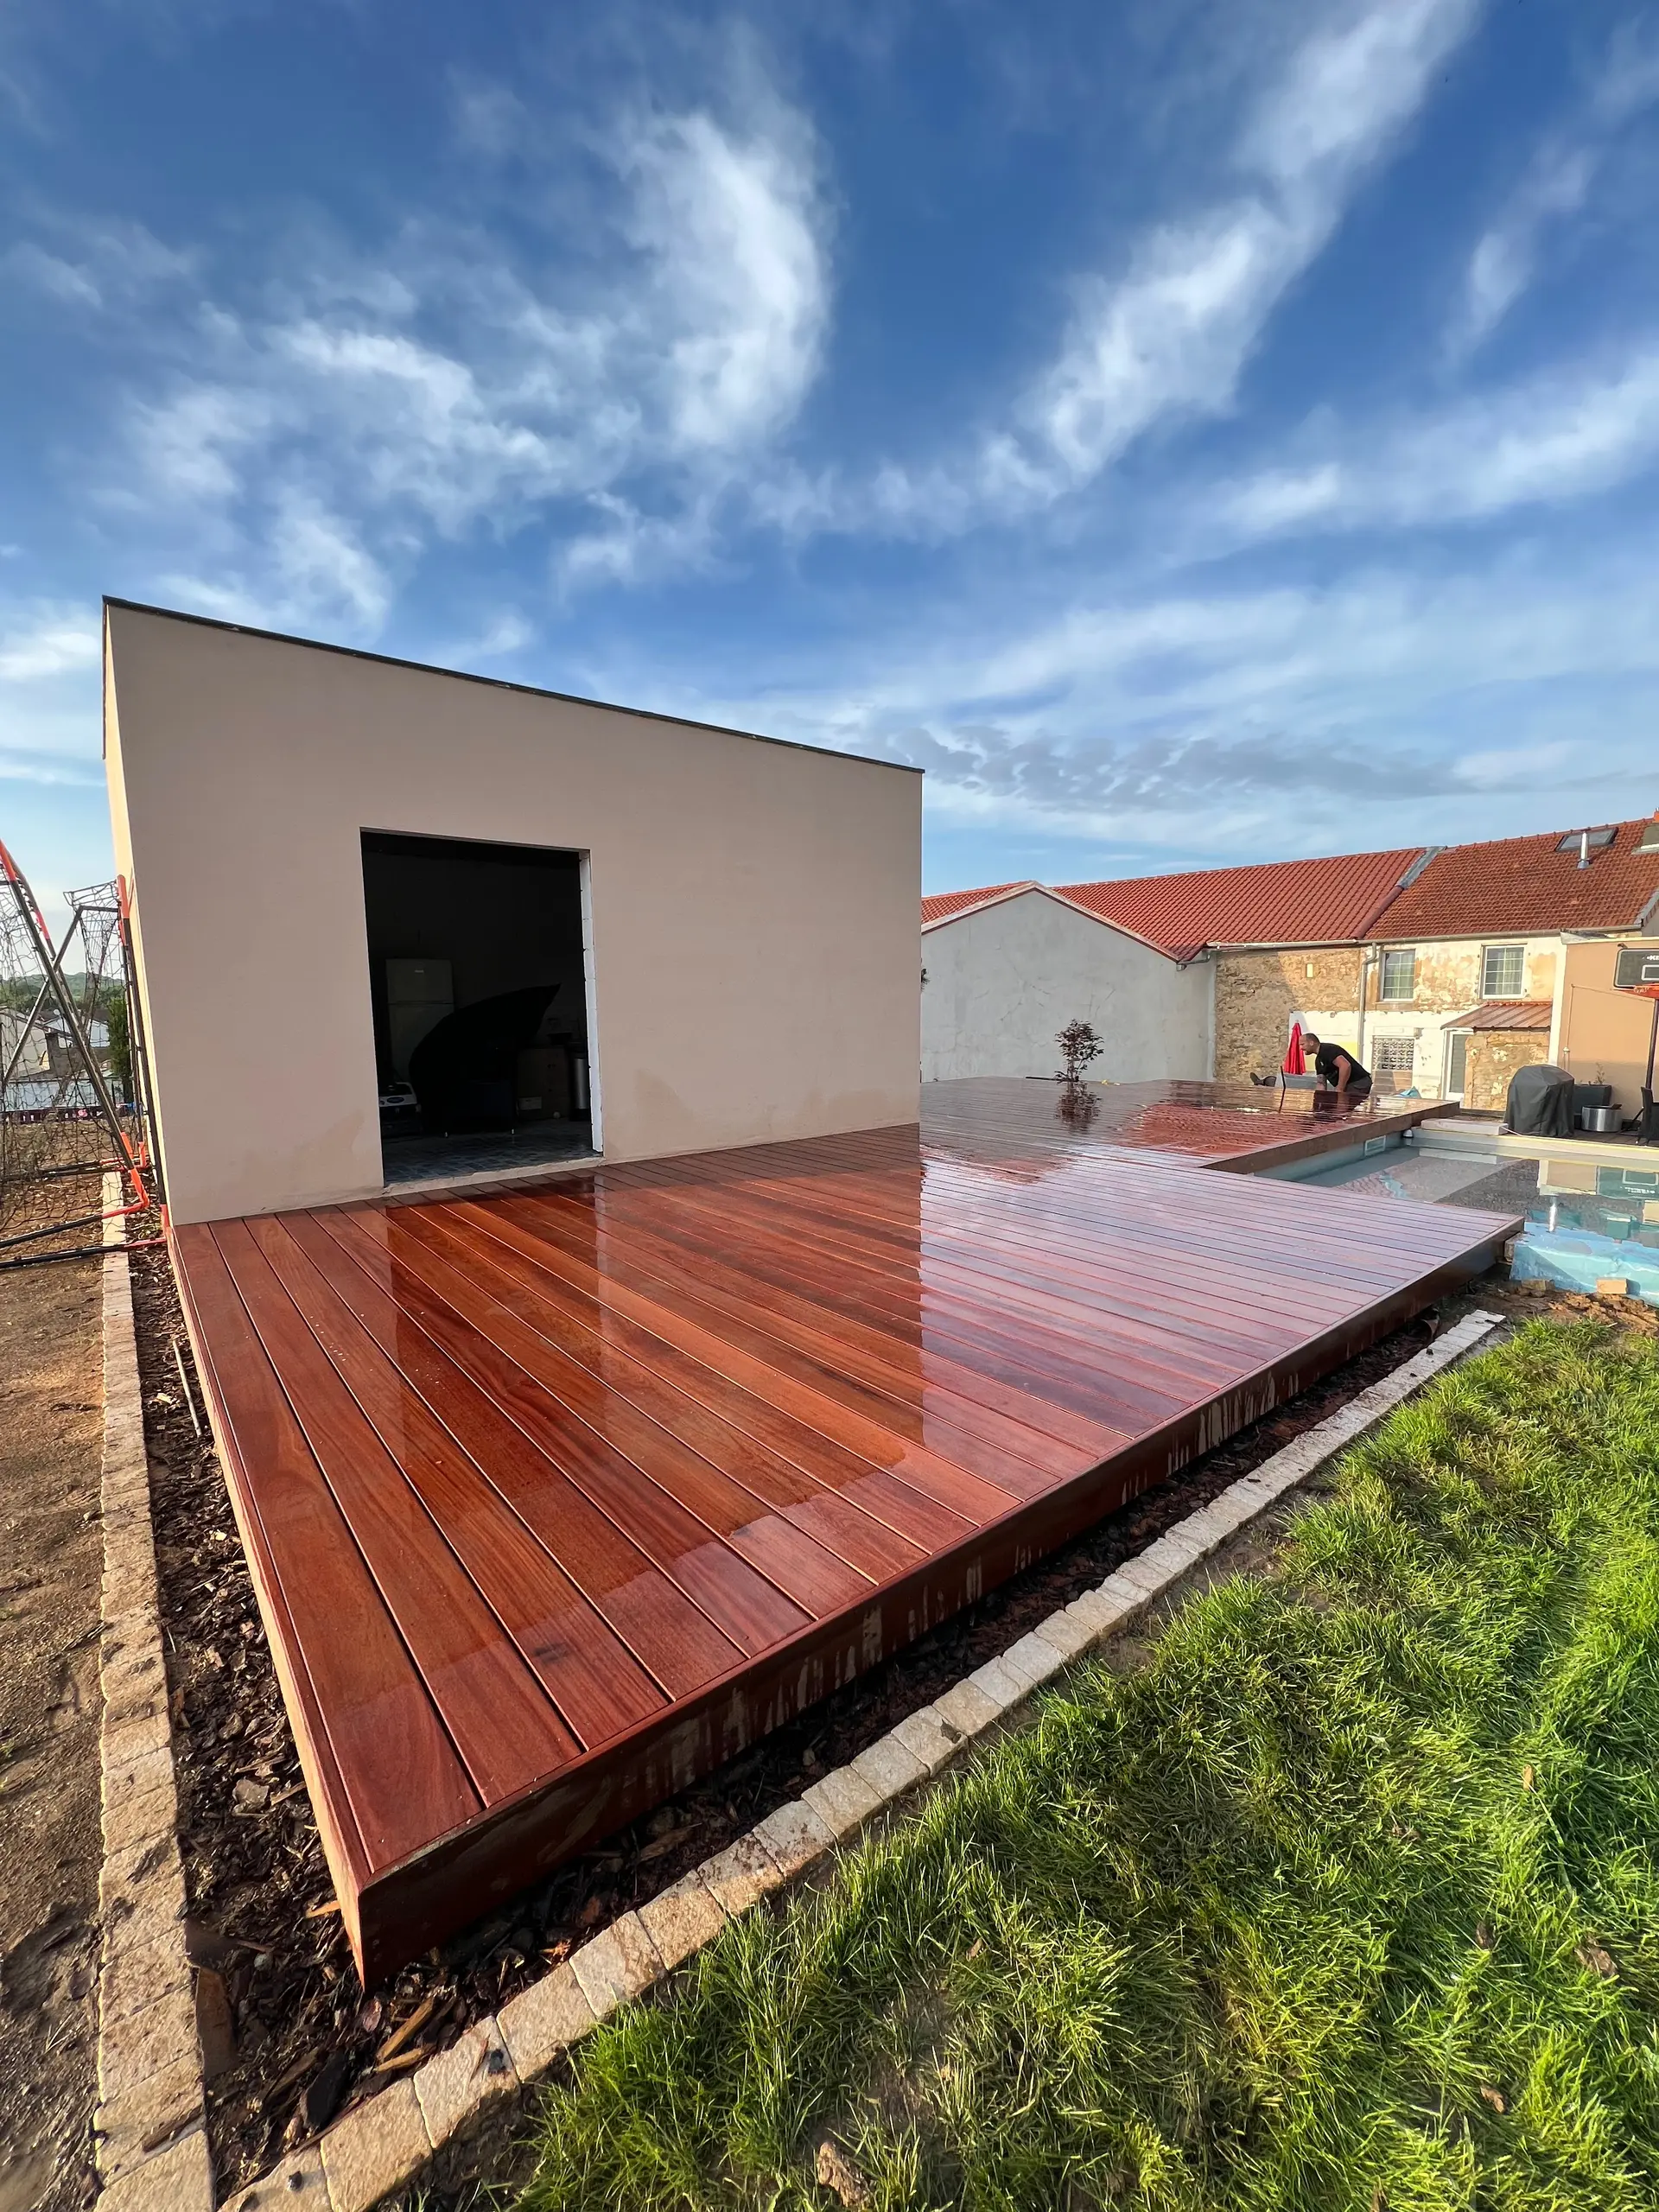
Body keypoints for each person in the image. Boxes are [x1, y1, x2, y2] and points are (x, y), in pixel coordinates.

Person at [1301, 1031, 1371, 1100]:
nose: (1301, 1048)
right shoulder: (1318, 1061)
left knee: (1342, 1106)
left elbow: (1345, 1066)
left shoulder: (1327, 1050)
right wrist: (1318, 1102)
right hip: (1350, 1084)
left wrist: (1340, 1088)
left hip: (1358, 1082)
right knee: (1337, 1105)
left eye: (1302, 1044)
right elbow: (1321, 1084)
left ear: (1311, 1043)